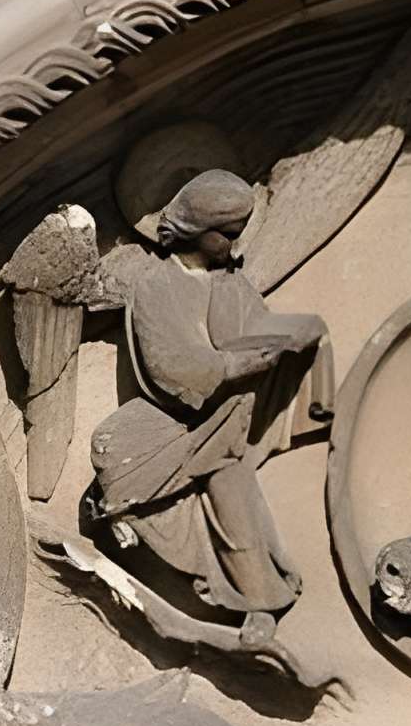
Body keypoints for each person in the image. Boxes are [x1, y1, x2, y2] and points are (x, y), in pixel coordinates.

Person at [85, 169, 330, 630]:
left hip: (225, 415)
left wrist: (293, 335)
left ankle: (260, 604)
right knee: (111, 451)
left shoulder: (230, 282)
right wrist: (234, 366)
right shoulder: (156, 285)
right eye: (227, 236)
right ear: (196, 229)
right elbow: (168, 365)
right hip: (179, 412)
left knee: (229, 488)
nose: (233, 247)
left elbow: (255, 325)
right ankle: (132, 523)